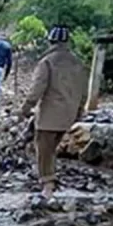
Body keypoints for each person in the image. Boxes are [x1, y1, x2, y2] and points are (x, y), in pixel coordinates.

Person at [19, 25, 89, 199]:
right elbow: (84, 91)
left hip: (49, 115)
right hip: (69, 115)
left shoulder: (47, 62)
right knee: (52, 150)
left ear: (50, 41)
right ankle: (51, 181)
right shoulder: (77, 62)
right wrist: (79, 111)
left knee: (43, 149)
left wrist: (24, 109)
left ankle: (47, 185)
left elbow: (37, 89)